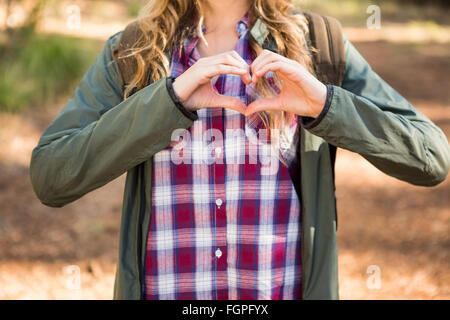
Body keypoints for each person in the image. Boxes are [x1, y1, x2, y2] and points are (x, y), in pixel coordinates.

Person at [29, 0, 449, 300]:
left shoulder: (318, 45)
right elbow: (51, 174)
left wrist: (325, 105)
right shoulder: (134, 52)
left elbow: (430, 158)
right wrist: (167, 103)